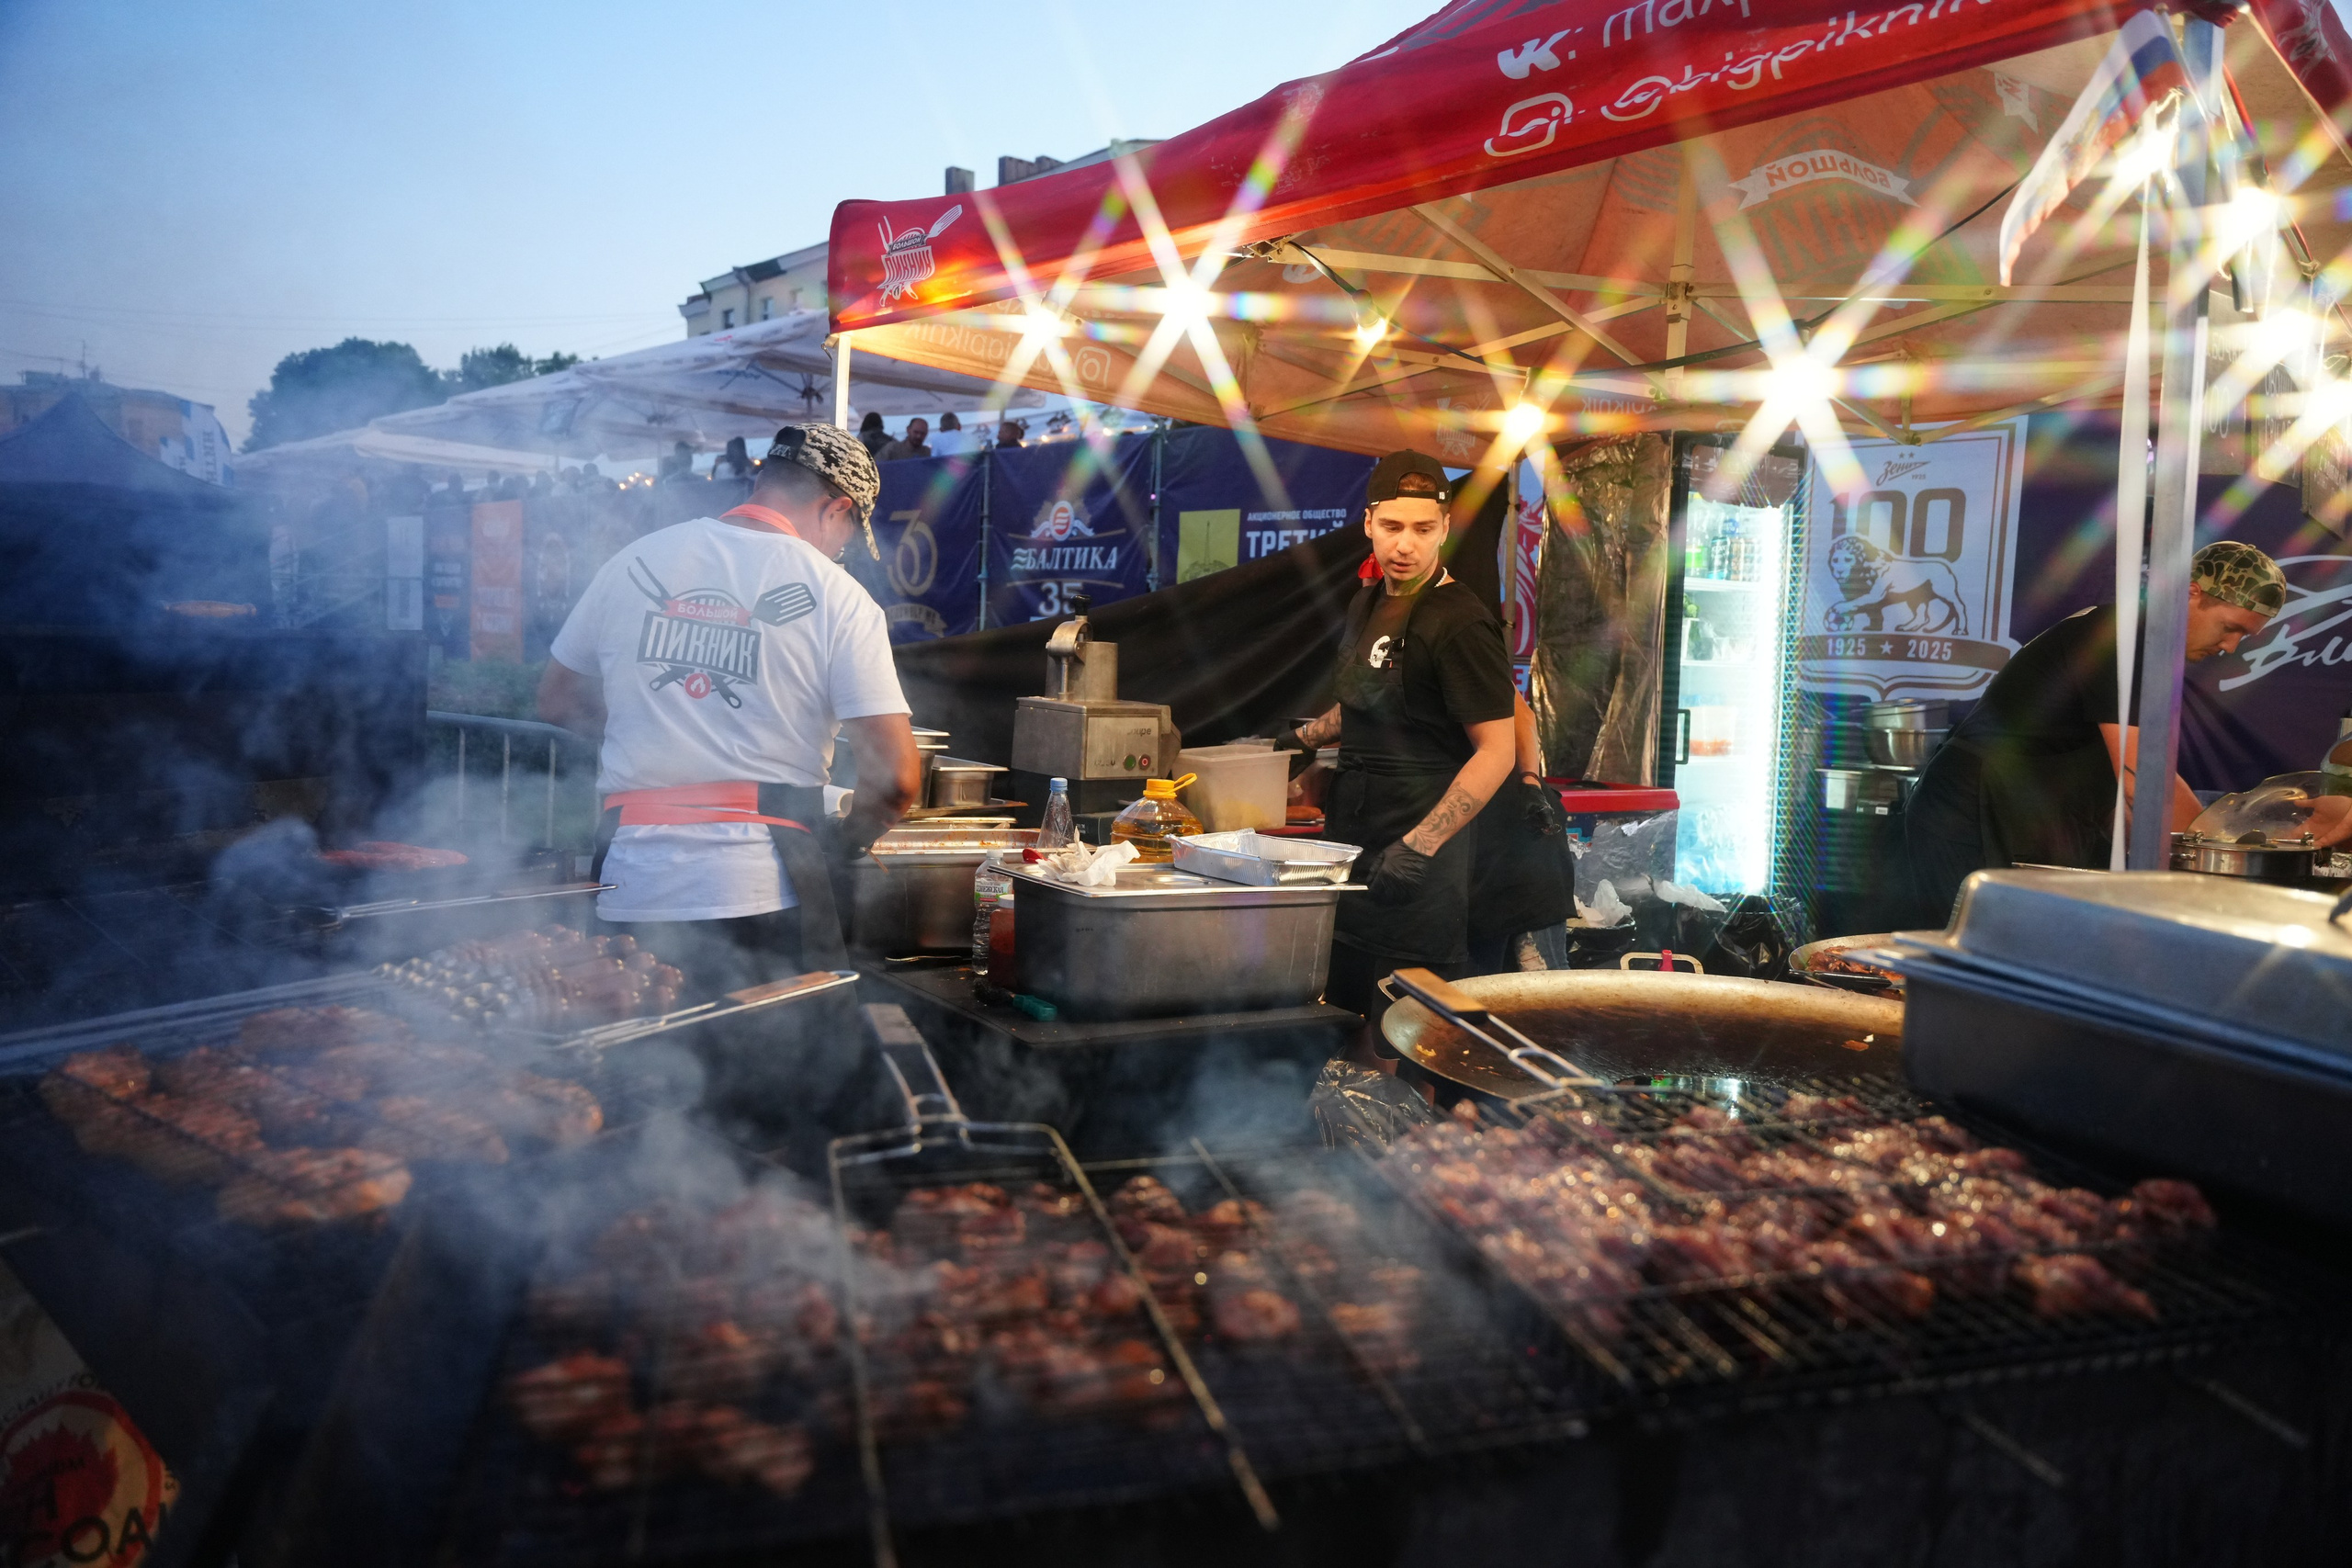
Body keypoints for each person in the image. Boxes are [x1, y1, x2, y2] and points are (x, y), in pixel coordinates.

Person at [537, 422, 922, 986]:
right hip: (761, 890)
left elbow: (556, 698)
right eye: (846, 534)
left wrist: (653, 733)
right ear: (836, 508)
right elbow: (897, 781)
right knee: (755, 1069)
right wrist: (844, 844)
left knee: (632, 1051)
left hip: (628, 882)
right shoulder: (838, 596)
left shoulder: (634, 561)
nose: (840, 551)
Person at [1903, 538, 2342, 922]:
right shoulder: (2120, 636)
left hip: (2031, 812)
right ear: (2192, 593)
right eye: (2230, 628)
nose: (2229, 646)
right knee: (1976, 964)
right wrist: (2221, 851)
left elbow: (2125, 794)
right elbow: (2144, 781)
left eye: (2243, 638)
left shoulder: (2148, 652)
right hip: (1972, 807)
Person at [1276, 450, 1518, 1018]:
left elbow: (1497, 749)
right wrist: (1303, 740)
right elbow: (1368, 697)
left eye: (1421, 530)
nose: (1404, 545)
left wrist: (1420, 845)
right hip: (1354, 838)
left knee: (1411, 1026)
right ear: (1368, 524)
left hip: (1420, 861)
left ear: (1444, 530)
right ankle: (1358, 1109)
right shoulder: (1369, 600)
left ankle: (1415, 1111)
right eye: (1391, 527)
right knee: (1349, 1008)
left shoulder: (1460, 620)